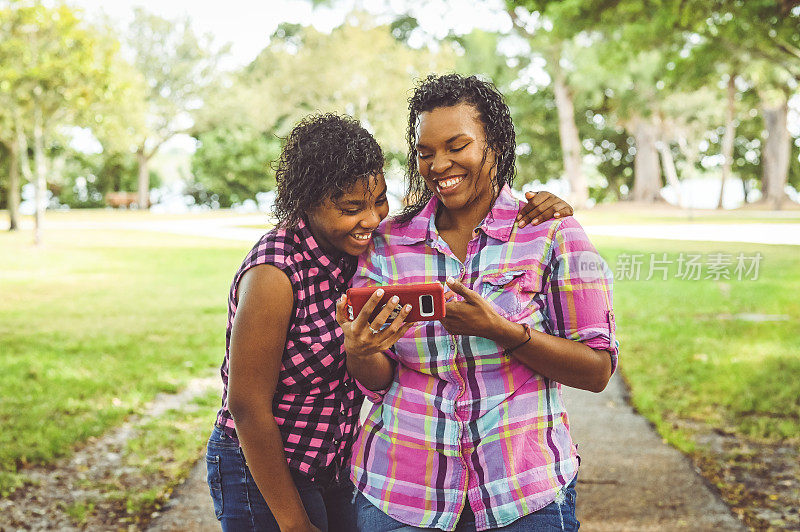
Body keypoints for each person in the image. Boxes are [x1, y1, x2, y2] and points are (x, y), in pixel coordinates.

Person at [206, 112, 573, 532]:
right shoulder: (275, 273)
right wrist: (294, 524)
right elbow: (246, 405)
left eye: (379, 199)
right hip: (262, 466)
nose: (372, 218)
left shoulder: (358, 252)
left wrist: (546, 205)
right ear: (307, 202)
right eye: (351, 209)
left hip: (333, 462)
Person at [337, 74, 618, 532]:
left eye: (456, 145)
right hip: (402, 495)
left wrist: (501, 330)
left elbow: (596, 369)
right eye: (425, 152)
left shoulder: (552, 233)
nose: (438, 164)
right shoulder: (389, 243)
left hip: (524, 492)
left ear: (497, 145)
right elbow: (380, 379)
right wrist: (360, 350)